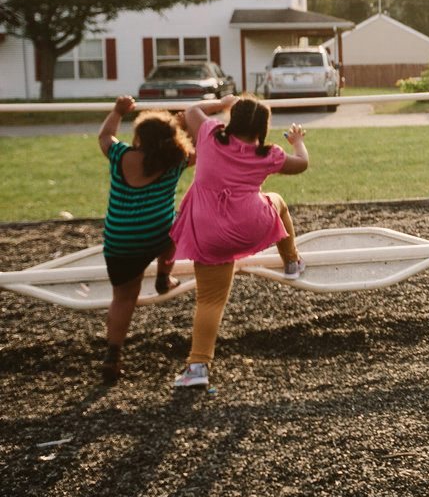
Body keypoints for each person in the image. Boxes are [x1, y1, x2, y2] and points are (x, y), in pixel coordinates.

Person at [169, 94, 309, 390]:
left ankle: (197, 366)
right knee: (278, 201)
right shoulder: (267, 154)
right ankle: (292, 262)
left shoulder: (209, 135)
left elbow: (191, 111)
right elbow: (302, 164)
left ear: (232, 119)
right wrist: (297, 141)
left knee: (209, 300)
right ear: (262, 127)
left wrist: (221, 103)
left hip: (208, 230)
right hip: (250, 224)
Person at [96, 96, 202, 385]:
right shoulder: (176, 161)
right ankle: (164, 276)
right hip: (156, 236)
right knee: (175, 226)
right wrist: (182, 125)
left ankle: (113, 353)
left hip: (119, 240)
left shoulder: (121, 156)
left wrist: (117, 112)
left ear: (139, 137)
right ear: (171, 139)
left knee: (124, 297)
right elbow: (199, 147)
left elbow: (105, 136)